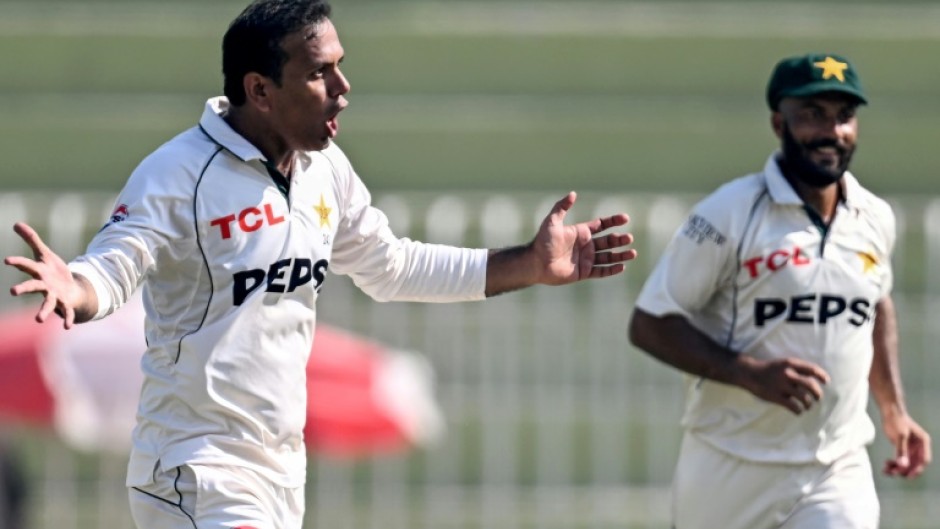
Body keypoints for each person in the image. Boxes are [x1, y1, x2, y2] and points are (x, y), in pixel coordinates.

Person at [4, 1, 636, 528]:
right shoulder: (177, 176)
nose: (342, 88)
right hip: (196, 466)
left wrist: (528, 263)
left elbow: (391, 266)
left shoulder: (324, 169)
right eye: (319, 73)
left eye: (340, 68)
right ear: (260, 90)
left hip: (281, 472)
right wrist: (77, 286)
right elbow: (115, 265)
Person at [628, 52, 931, 529]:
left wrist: (894, 410)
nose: (832, 131)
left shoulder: (874, 217)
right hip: (729, 462)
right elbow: (650, 323)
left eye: (844, 116)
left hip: (835, 463)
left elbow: (877, 305)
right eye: (813, 115)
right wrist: (748, 373)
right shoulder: (728, 212)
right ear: (778, 122)